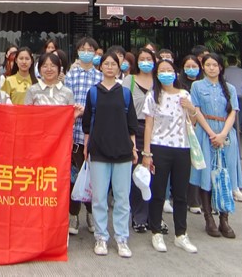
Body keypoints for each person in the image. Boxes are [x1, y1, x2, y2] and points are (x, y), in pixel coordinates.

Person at [83, 50, 138, 259]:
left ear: (119, 67)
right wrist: (87, 146)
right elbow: (87, 124)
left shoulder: (125, 93)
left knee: (122, 198)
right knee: (99, 198)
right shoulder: (93, 93)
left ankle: (122, 238)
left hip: (122, 150)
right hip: (98, 150)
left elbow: (131, 125)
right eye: (106, 63)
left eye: (113, 64)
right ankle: (101, 237)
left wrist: (133, 148)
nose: (109, 67)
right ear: (101, 67)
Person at [142, 58, 198, 254]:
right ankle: (156, 232)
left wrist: (191, 108)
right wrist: (147, 153)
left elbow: (193, 121)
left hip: (182, 147)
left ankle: (181, 234)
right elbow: (148, 125)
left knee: (181, 194)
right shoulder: (153, 96)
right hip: (159, 147)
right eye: (162, 71)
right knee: (158, 192)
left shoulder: (184, 94)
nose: (166, 73)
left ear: (175, 73)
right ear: (157, 75)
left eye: (169, 70)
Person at [189, 53, 241, 239]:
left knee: (226, 174)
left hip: (225, 134)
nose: (211, 68)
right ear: (203, 67)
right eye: (208, 65)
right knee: (206, 175)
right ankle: (208, 217)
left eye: (215, 65)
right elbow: (196, 110)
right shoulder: (197, 86)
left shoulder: (230, 88)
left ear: (220, 67)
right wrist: (211, 134)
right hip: (205, 133)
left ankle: (224, 218)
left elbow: (233, 113)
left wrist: (223, 134)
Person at [64, 37, 101, 236]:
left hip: (95, 136)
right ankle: (74, 214)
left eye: (90, 49)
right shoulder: (71, 76)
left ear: (95, 53)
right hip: (74, 135)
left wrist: (88, 111)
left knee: (94, 178)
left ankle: (91, 213)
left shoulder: (100, 77)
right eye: (83, 49)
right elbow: (66, 101)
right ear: (77, 51)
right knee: (74, 177)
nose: (86, 52)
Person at [122, 47, 156, 234]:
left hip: (159, 130)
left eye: (149, 59)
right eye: (142, 59)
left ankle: (155, 216)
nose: (146, 62)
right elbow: (124, 107)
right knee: (138, 173)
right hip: (137, 129)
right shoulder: (130, 80)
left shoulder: (159, 80)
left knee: (156, 175)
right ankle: (139, 216)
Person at [177, 54, 204, 214]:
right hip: (186, 127)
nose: (191, 69)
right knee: (190, 165)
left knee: (202, 163)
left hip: (203, 125)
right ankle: (192, 200)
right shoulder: (178, 85)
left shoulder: (202, 84)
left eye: (194, 66)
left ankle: (206, 200)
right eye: (188, 66)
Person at [223, 53, 242, 202]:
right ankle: (239, 127)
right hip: (241, 93)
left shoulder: (226, 74)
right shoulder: (241, 71)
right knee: (239, 114)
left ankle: (234, 187)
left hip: (233, 95)